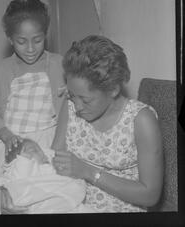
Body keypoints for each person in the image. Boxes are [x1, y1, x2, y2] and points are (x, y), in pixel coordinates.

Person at [51, 35, 163, 213]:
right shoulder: (71, 104)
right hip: (70, 201)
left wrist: (88, 171)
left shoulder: (141, 120)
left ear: (113, 89)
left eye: (86, 100)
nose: (77, 107)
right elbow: (55, 158)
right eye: (72, 95)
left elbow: (150, 195)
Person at [0, 0, 66, 200]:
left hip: (46, 141)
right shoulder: (2, 70)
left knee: (43, 195)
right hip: (10, 141)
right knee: (8, 198)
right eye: (22, 42)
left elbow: (68, 104)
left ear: (45, 35)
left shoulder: (59, 65)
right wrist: (6, 136)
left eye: (38, 40)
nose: (31, 48)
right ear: (10, 39)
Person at [0, 138, 93, 214]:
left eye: (40, 150)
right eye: (34, 150)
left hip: (58, 198)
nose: (41, 153)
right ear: (19, 157)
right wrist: (24, 160)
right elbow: (19, 180)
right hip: (36, 202)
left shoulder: (46, 165)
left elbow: (56, 179)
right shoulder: (21, 166)